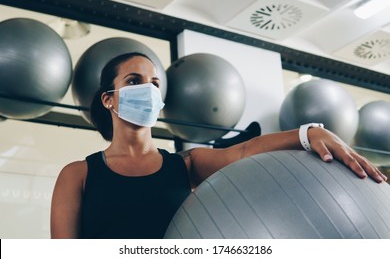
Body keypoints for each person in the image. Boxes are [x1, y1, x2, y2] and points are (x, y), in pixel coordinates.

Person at [50, 52, 387, 239]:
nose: (148, 90)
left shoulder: (185, 165)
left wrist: (308, 133)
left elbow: (242, 152)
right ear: (109, 99)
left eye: (154, 83)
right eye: (134, 81)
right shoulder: (78, 174)